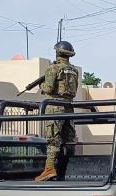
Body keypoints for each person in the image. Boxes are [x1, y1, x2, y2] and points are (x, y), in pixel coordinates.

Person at [35, 41, 79, 182]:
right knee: (69, 140)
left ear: (57, 52)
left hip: (54, 106)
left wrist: (41, 86)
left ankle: (49, 169)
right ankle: (71, 167)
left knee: (53, 139)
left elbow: (48, 88)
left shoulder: (53, 68)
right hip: (69, 107)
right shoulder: (74, 70)